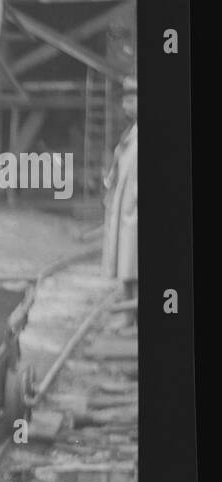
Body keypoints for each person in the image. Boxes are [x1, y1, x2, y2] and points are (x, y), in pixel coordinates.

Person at [102, 75, 138, 330]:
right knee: (127, 266)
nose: (125, 106)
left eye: (130, 101)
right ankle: (128, 316)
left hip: (135, 210)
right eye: (125, 101)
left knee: (134, 266)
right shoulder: (131, 132)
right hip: (126, 209)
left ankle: (132, 319)